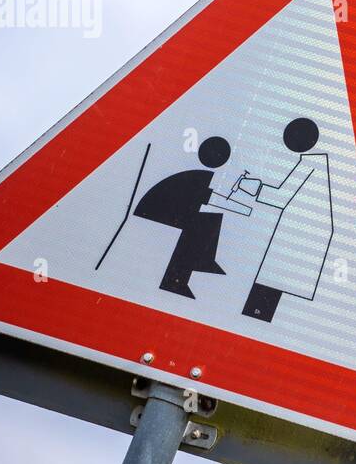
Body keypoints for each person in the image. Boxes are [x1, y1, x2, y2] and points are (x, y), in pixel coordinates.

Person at [236, 118, 333, 322]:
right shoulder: (316, 161)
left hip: (298, 240)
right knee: (271, 289)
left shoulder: (311, 162)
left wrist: (248, 185)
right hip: (301, 238)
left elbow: (280, 197)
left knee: (266, 295)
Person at [133, 136, 234, 298]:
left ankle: (188, 274)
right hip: (163, 205)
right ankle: (177, 281)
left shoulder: (198, 179)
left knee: (208, 221)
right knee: (204, 222)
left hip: (175, 200)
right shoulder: (192, 180)